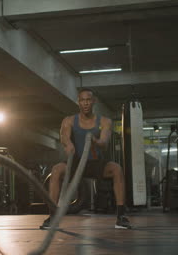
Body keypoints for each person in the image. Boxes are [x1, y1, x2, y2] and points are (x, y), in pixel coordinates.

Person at [40, 88, 132, 229]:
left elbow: (105, 143)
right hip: (76, 163)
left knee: (117, 169)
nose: (85, 103)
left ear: (93, 101)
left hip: (96, 163)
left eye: (88, 100)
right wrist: (68, 144)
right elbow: (64, 136)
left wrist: (95, 141)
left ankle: (121, 216)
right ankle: (52, 217)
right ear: (78, 102)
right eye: (82, 100)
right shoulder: (69, 120)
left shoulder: (104, 121)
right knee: (56, 170)